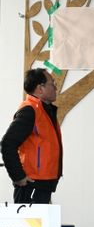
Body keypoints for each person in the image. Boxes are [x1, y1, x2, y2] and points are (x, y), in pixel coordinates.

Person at [1, 68, 63, 204]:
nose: (55, 87)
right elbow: (7, 143)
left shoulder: (44, 110)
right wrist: (18, 176)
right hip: (32, 185)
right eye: (52, 83)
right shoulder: (30, 110)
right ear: (40, 88)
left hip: (42, 185)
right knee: (32, 220)